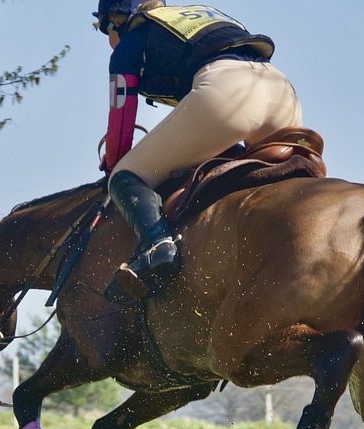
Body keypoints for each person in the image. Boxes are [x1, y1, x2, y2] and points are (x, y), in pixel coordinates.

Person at [94, 1, 303, 304]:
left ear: (115, 21)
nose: (109, 41)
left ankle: (158, 246)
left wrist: (115, 164)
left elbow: (122, 116)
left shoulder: (133, 39)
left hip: (227, 92)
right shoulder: (188, 17)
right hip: (282, 91)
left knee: (125, 176)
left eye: (106, 31)